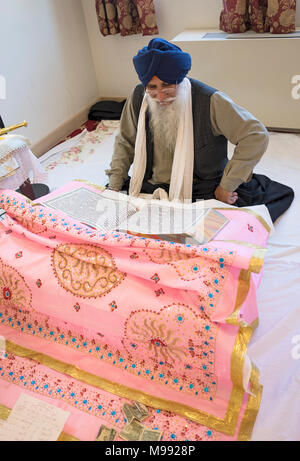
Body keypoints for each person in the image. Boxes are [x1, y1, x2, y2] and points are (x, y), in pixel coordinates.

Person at [106, 38, 294, 222]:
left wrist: (227, 186)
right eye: (152, 87)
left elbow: (255, 135)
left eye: (167, 85)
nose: (160, 95)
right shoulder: (139, 96)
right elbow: (126, 141)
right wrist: (114, 186)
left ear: (179, 79)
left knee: (219, 232)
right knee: (113, 220)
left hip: (201, 187)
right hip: (149, 184)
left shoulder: (210, 100)